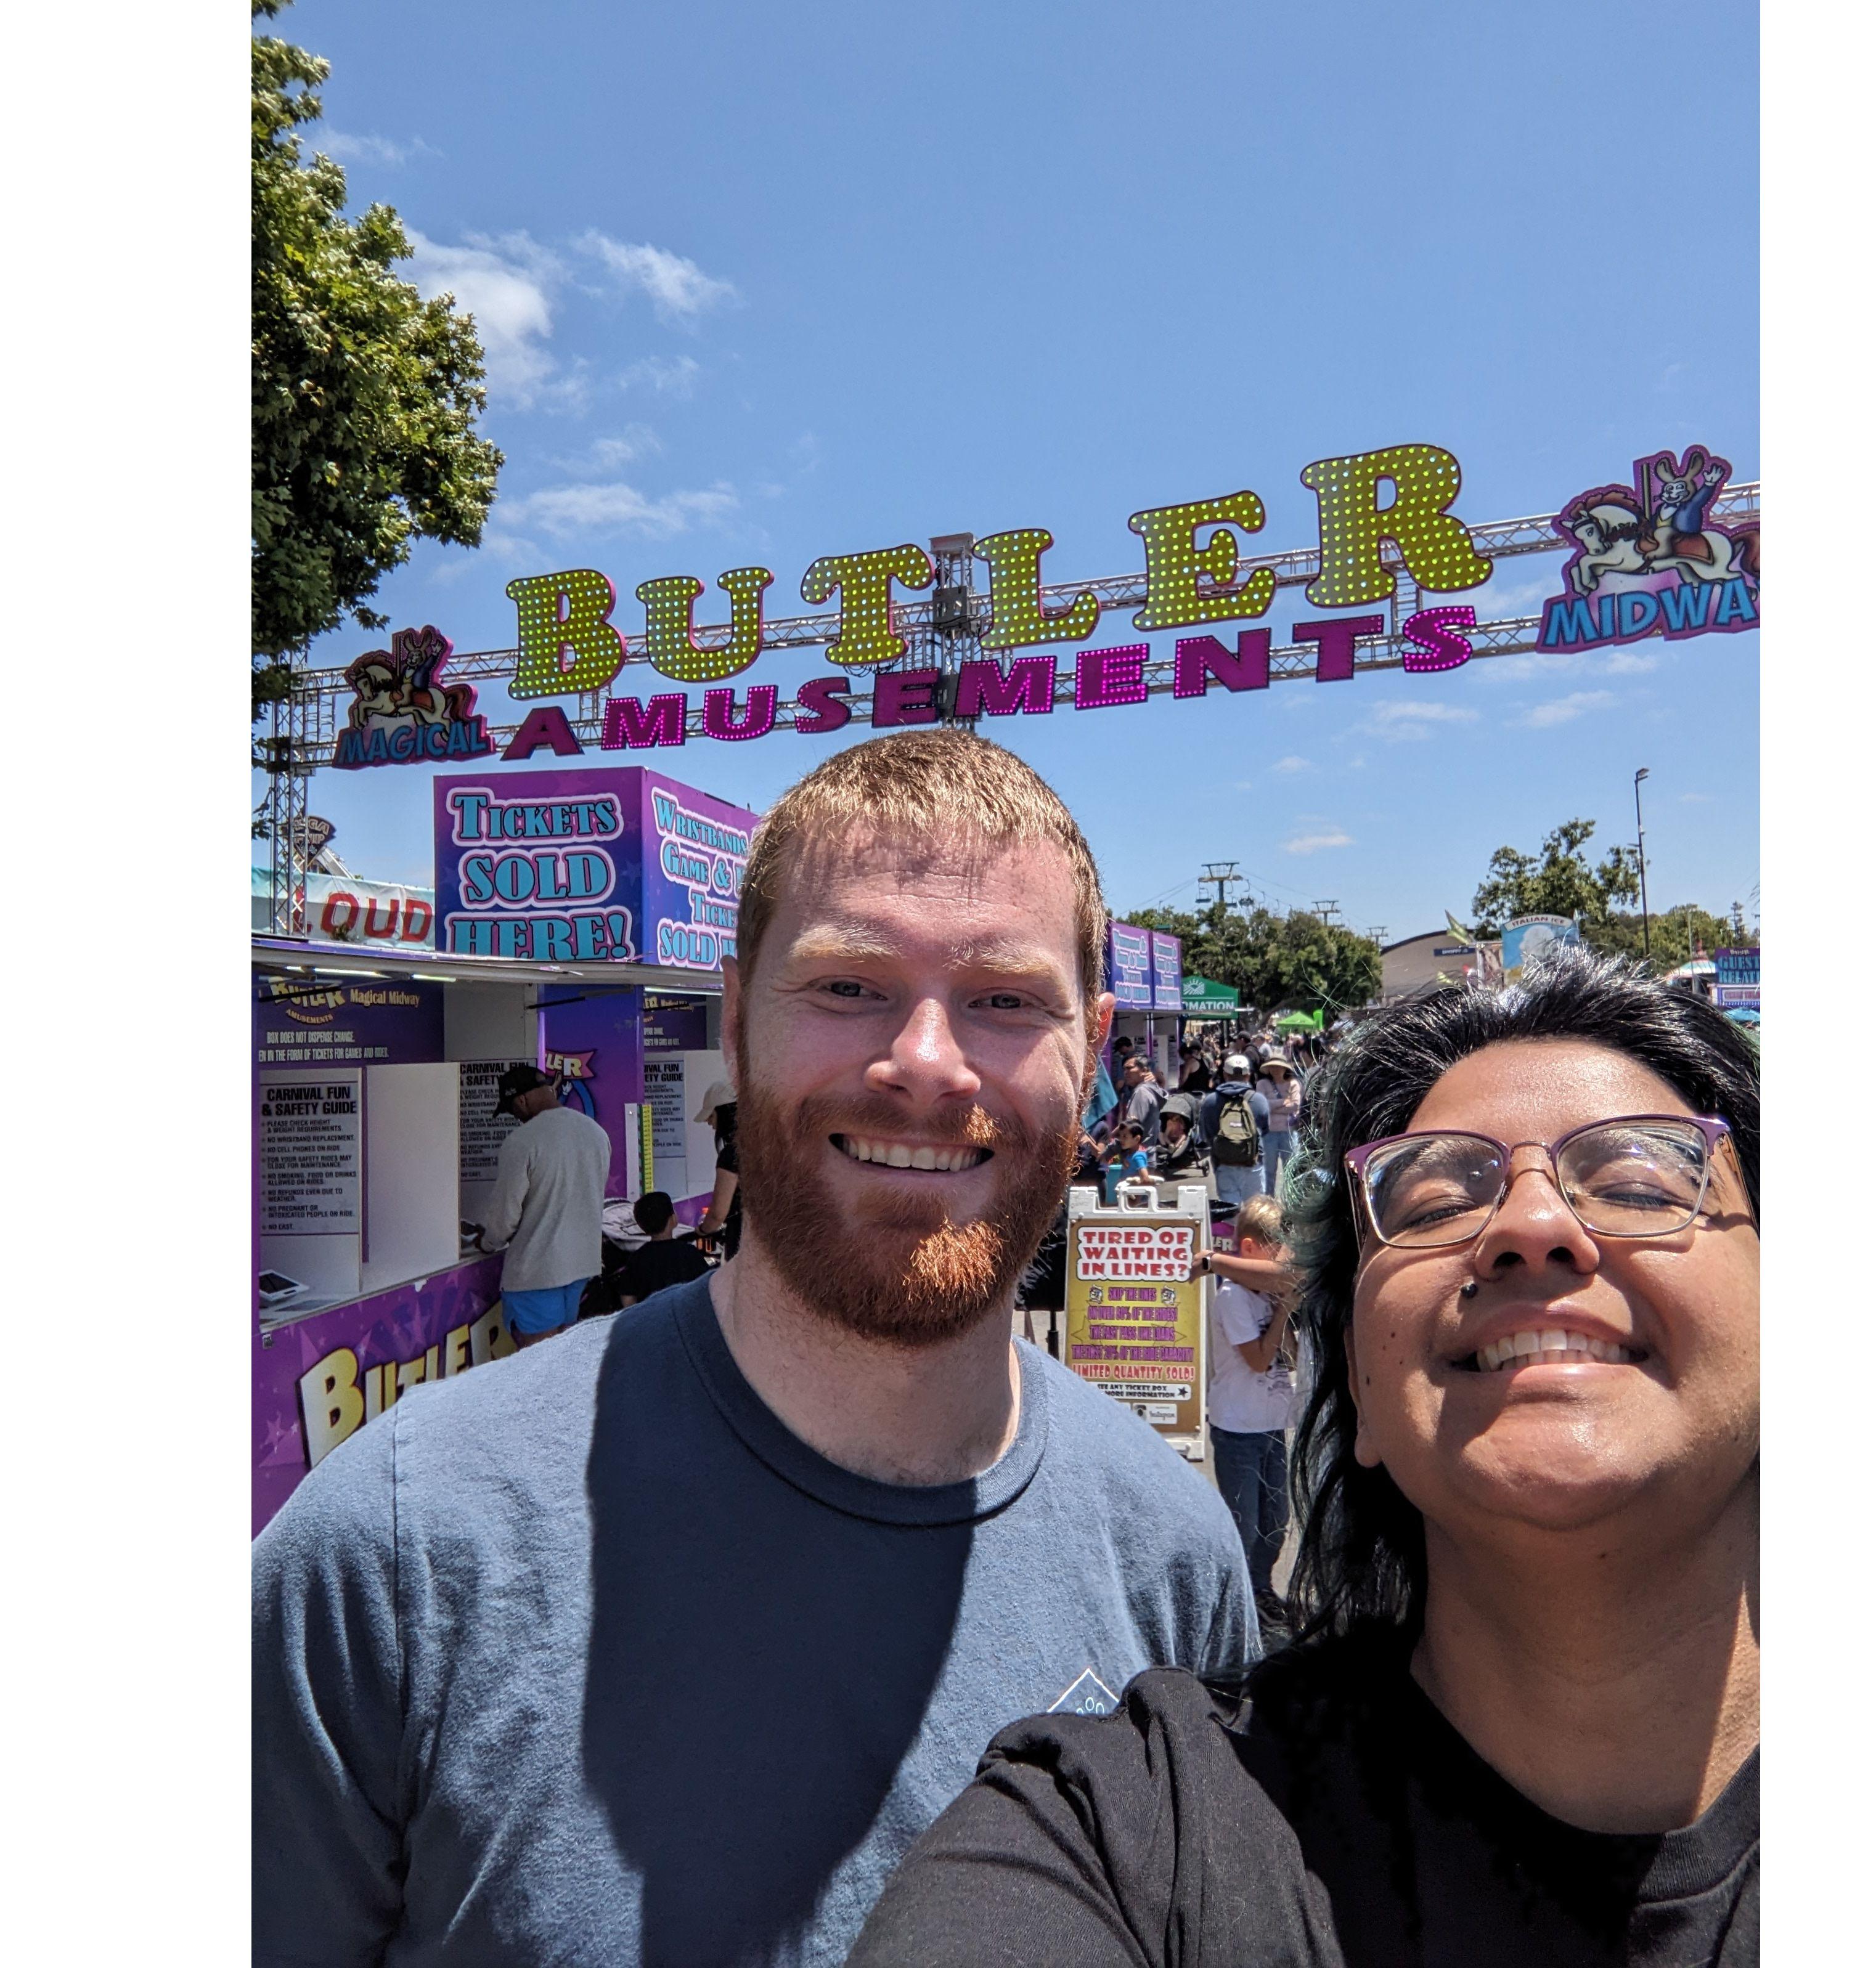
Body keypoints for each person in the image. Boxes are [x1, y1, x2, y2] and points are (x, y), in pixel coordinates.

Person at [253, 730, 1257, 1968]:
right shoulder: (389, 1559)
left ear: (1092, 1051)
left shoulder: (1177, 1560)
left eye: (1003, 999)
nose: (925, 1066)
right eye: (846, 986)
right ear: (735, 1021)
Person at [847, 948, 1761, 1967]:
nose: (1530, 1221)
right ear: (1360, 1387)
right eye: (1428, 1201)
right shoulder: (1137, 1831)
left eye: (1637, 1177)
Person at [1204, 1193, 1297, 1631]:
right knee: (1245, 1528)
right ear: (1249, 1250)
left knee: (1276, 1522)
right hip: (1238, 1428)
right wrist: (1283, 1312)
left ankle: (1260, 1590)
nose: (1282, 1260)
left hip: (1271, 1425)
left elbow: (1291, 1358)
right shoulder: (1233, 1298)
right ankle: (1235, 1610)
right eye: (1275, 1247)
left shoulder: (1265, 1292)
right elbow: (1259, 1360)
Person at [476, 1063, 613, 1344]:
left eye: (511, 1108)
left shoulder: (523, 1141)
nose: (515, 1116)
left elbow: (505, 1217)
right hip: (580, 1268)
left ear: (521, 1100)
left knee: (536, 1368)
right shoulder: (595, 1133)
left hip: (536, 1272)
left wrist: (486, 1242)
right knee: (561, 1360)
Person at [611, 1189, 710, 1306]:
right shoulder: (689, 1253)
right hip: (684, 1316)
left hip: (652, 1319)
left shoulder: (637, 1258)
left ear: (640, 1225)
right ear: (673, 1219)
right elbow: (706, 1286)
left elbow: (627, 1298)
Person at [1199, 1052, 1270, 1208]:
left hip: (1224, 1164)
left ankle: (1232, 1233)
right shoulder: (1259, 1100)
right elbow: (1264, 1130)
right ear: (1248, 1075)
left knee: (1230, 1212)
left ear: (1225, 1074)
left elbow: (1207, 1135)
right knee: (1255, 1212)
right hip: (1253, 1163)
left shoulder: (1211, 1101)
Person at [696, 1076, 742, 1259]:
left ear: (726, 1114)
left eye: (711, 1115)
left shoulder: (732, 1154)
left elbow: (717, 1214)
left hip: (745, 1239)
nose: (709, 1122)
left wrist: (702, 1231)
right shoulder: (768, 1146)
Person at [1256, 1051, 1303, 1197]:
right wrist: (1283, 1102)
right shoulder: (1262, 1084)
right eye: (1273, 1067)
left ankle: (1292, 1200)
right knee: (1269, 1171)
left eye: (1279, 1067)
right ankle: (1269, 1202)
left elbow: (1295, 1106)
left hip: (1289, 1132)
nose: (1276, 1069)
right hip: (1269, 1132)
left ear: (1285, 1068)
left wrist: (1273, 1106)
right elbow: (1262, 1106)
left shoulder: (1293, 1084)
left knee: (1291, 1170)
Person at [1151, 1092, 1209, 1184]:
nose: (1172, 1118)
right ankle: (1167, 1147)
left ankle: (1175, 1147)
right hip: (1169, 1139)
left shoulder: (1181, 1123)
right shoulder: (1169, 1123)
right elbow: (1166, 1133)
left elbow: (1184, 1133)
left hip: (1179, 1137)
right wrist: (1168, 1141)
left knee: (1183, 1137)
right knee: (1161, 1134)